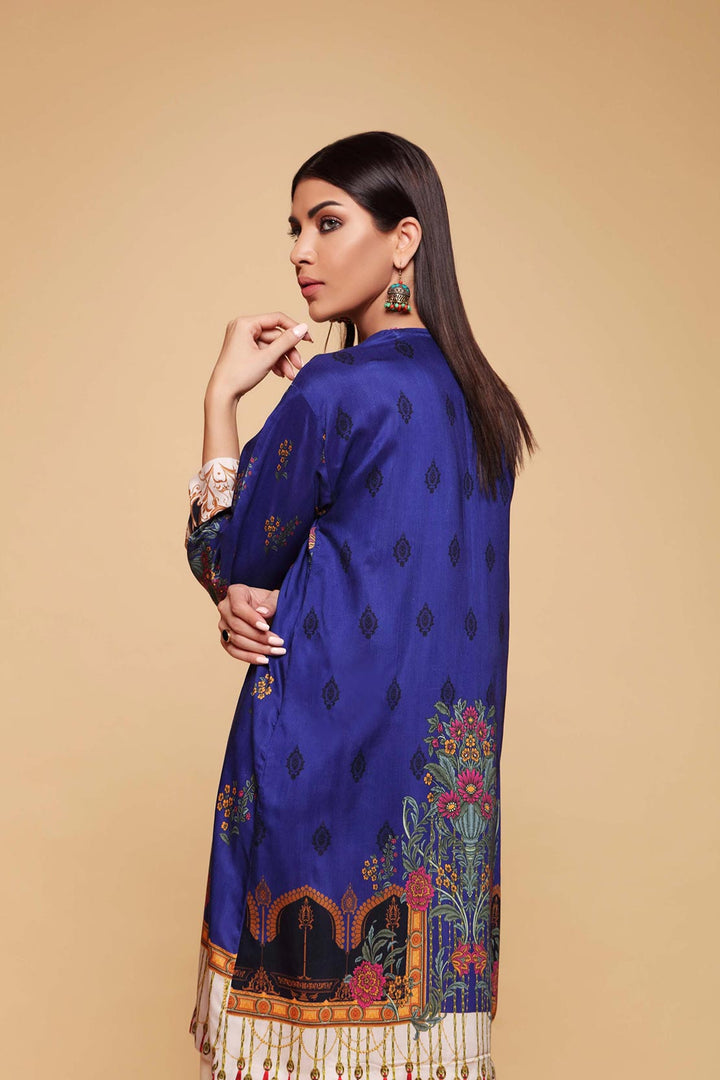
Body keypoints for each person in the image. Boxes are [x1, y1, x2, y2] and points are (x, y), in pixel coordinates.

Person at [185, 131, 536, 1080]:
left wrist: (222, 400)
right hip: (443, 818)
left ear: (403, 240)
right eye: (294, 229)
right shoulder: (482, 401)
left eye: (328, 223)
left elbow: (228, 557)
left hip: (317, 784)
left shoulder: (336, 390)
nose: (301, 251)